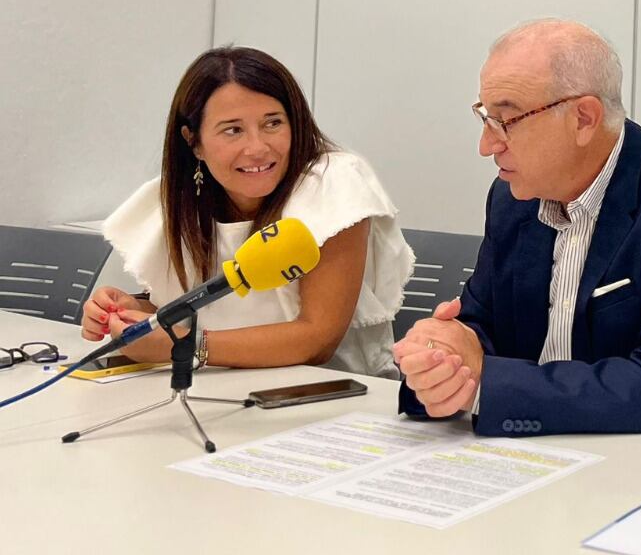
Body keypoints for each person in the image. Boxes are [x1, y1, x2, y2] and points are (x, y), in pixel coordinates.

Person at [395, 19, 641, 439]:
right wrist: (440, 358)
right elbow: (481, 330)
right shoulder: (514, 198)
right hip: (543, 453)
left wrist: (485, 383)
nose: (486, 145)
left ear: (584, 118)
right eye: (485, 118)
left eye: (506, 120)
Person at [87, 47, 414, 377]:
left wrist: (186, 345)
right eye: (233, 130)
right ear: (193, 141)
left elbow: (317, 341)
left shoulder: (333, 182)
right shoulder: (179, 197)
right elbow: (193, 308)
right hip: (219, 386)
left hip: (331, 394)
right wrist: (131, 311)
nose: (257, 148)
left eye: (273, 123)